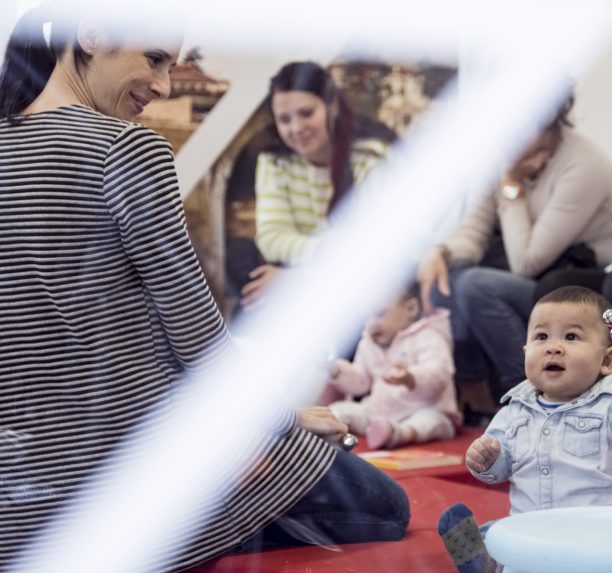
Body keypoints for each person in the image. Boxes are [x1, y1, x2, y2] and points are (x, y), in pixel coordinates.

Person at [0, 7, 408, 571]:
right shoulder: (126, 149)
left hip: (16, 510)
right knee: (387, 506)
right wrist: (282, 417)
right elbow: (196, 340)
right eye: (154, 59)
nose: (164, 86)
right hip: (129, 476)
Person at [438, 286, 612, 573]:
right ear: (526, 352)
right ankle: (489, 559)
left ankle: (496, 561)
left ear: (607, 361)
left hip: (600, 535)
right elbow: (499, 468)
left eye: (571, 337)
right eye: (541, 337)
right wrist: (485, 459)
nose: (553, 347)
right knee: (504, 536)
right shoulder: (514, 409)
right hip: (534, 530)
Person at [418, 95, 612, 399]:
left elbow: (527, 261)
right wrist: (442, 252)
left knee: (477, 286)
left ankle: (525, 394)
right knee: (443, 281)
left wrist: (510, 186)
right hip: (540, 281)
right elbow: (474, 233)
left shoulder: (583, 164)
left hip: (585, 286)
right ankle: (471, 395)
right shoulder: (502, 155)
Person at [237, 61, 397, 307]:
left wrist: (301, 279)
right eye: (284, 119)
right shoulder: (274, 161)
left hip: (364, 287)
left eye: (306, 113)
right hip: (303, 275)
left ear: (331, 106)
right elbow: (272, 239)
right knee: (246, 271)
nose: (297, 128)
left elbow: (376, 254)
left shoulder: (370, 156)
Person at [326, 282, 461, 449]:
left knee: (431, 421)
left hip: (424, 409)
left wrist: (410, 378)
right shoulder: (369, 343)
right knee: (337, 411)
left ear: (411, 309)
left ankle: (401, 433)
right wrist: (336, 370)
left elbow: (439, 375)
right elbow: (361, 382)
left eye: (379, 314)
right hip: (378, 412)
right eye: (366, 318)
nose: (371, 325)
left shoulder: (428, 337)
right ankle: (322, 430)